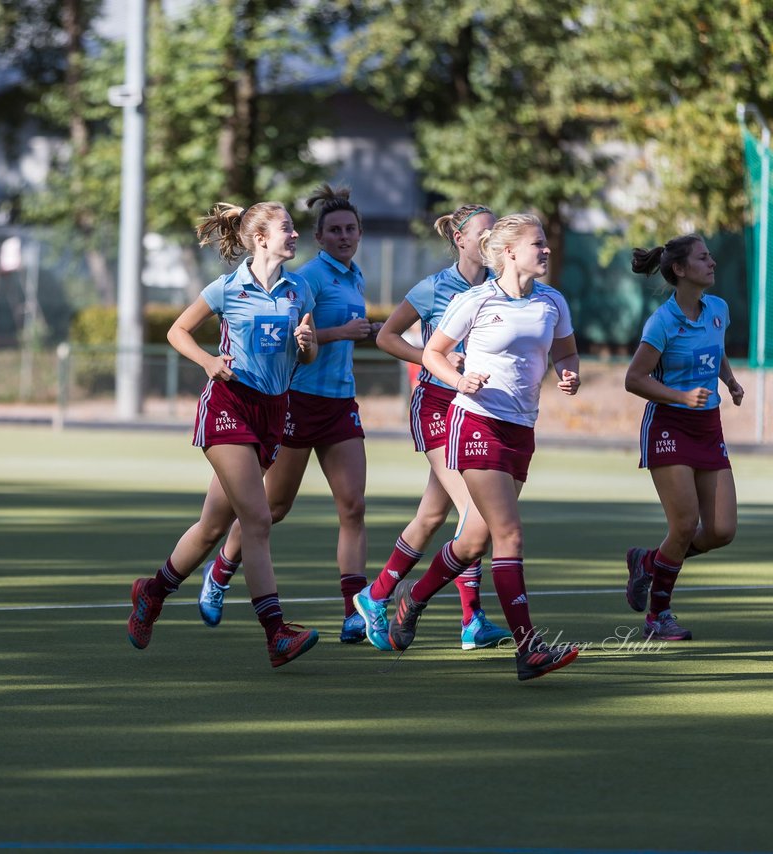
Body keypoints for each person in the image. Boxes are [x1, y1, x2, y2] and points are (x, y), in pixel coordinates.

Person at [362, 213, 582, 681]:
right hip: (475, 422)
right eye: (537, 243)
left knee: (474, 540)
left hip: (522, 428)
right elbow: (433, 352)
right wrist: (460, 380)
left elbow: (565, 350)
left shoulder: (552, 301)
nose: (545, 250)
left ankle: (412, 601)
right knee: (509, 535)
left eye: (545, 243)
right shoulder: (475, 300)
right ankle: (528, 649)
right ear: (509, 253)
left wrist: (568, 371)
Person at [126, 201, 321, 668]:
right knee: (257, 520)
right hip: (229, 406)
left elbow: (305, 356)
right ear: (260, 239)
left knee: (213, 526)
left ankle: (152, 593)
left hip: (273, 412)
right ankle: (276, 634)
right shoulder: (227, 288)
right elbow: (178, 332)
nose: (295, 235)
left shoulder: (301, 292)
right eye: (287, 229)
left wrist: (309, 347)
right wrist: (209, 362)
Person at [196, 185, 380, 644]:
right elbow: (305, 336)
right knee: (271, 509)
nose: (344, 236)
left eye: (350, 229)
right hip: (296, 401)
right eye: (334, 230)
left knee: (354, 506)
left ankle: (354, 611)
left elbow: (314, 339)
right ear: (319, 237)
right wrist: (343, 332)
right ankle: (220, 571)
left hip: (340, 401)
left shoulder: (355, 276)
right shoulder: (308, 277)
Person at [352, 204, 514, 652]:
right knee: (474, 514)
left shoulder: (503, 288)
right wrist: (433, 359)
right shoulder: (433, 288)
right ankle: (471, 620)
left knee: (431, 516)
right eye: (483, 234)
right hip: (438, 404)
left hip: (477, 408)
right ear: (460, 241)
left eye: (495, 233)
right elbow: (386, 337)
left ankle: (376, 594)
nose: (490, 241)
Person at [623, 235, 744, 641]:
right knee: (684, 524)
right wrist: (681, 396)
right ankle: (658, 616)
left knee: (721, 530)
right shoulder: (661, 322)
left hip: (708, 427)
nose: (712, 263)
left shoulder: (718, 309)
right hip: (668, 427)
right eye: (703, 257)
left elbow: (717, 348)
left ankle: (648, 562)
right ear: (680, 269)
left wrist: (729, 381)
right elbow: (634, 379)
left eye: (711, 256)